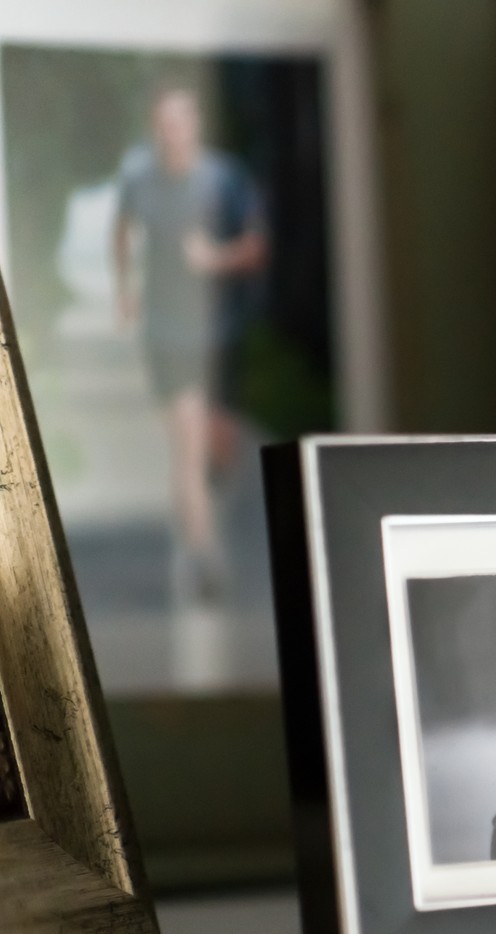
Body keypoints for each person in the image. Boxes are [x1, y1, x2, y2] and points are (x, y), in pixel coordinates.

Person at [112, 83, 268, 600]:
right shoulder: (140, 178)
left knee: (215, 450)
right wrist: (125, 292)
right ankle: (203, 557)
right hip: (166, 332)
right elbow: (121, 229)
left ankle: (204, 518)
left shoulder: (223, 178)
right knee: (186, 447)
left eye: (180, 122)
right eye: (163, 124)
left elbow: (254, 249)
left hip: (218, 333)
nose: (171, 133)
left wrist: (213, 259)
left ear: (195, 126)